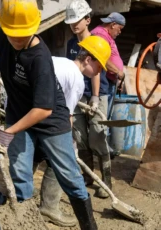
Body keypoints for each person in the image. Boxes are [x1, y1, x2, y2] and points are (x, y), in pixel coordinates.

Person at [0, 0, 97, 228]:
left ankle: (89, 226)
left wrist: (8, 132)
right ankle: (25, 222)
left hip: (51, 123)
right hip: (19, 114)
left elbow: (44, 109)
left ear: (34, 28)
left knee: (70, 176)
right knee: (19, 172)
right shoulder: (8, 36)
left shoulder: (39, 58)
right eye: (11, 34)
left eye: (22, 35)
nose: (16, 40)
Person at [34, 36, 111, 227]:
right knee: (59, 162)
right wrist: (70, 145)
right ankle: (49, 208)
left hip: (28, 113)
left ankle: (18, 201)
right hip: (46, 118)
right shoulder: (77, 79)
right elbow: (65, 116)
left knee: (32, 157)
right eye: (99, 66)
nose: (99, 72)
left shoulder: (60, 61)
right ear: (87, 59)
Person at [65, 0, 114, 198]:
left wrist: (95, 97)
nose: (74, 24)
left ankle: (106, 181)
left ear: (87, 19)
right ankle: (88, 175)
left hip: (97, 94)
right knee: (81, 137)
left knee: (98, 136)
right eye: (71, 21)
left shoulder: (96, 41)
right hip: (77, 95)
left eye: (77, 20)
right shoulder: (71, 44)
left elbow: (96, 72)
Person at [91, 12, 126, 118]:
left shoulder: (107, 35)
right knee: (102, 117)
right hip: (102, 83)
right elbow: (100, 58)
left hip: (110, 82)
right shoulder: (101, 35)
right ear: (113, 25)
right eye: (120, 28)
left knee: (106, 116)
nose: (120, 32)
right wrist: (118, 71)